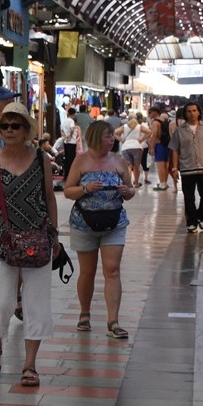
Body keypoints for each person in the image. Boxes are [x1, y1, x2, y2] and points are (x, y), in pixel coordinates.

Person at [0, 102, 59, 388]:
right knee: (1, 303)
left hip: (37, 239)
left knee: (37, 305)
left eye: (16, 125)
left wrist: (55, 234)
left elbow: (50, 197)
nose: (10, 130)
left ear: (27, 130)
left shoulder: (41, 159)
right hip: (2, 242)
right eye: (5, 126)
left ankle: (30, 363)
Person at [63, 121, 136, 339]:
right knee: (87, 271)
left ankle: (113, 321)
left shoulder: (119, 160)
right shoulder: (81, 161)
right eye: (107, 136)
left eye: (112, 136)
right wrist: (85, 188)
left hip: (114, 222)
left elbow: (131, 190)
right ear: (95, 137)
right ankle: (84, 313)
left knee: (112, 270)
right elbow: (68, 191)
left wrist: (127, 191)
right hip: (84, 223)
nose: (111, 140)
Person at [168, 102, 203, 233]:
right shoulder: (179, 131)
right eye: (189, 111)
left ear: (199, 112)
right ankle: (191, 222)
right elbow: (175, 150)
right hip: (187, 168)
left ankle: (202, 216)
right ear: (185, 114)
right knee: (189, 197)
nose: (192, 114)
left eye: (194, 110)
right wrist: (174, 168)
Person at [115, 115, 148, 187]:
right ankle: (136, 183)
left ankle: (128, 184)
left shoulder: (124, 126)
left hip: (126, 147)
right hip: (137, 147)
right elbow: (149, 132)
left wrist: (121, 139)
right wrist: (142, 139)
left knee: (128, 166)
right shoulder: (139, 126)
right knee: (137, 166)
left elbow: (114, 133)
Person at [61, 107, 81, 176]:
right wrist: (70, 136)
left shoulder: (64, 121)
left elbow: (62, 131)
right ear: (74, 114)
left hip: (66, 142)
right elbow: (72, 129)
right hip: (72, 142)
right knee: (71, 159)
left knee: (67, 159)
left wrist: (65, 137)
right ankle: (70, 175)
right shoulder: (71, 121)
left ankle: (66, 174)